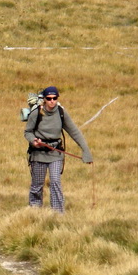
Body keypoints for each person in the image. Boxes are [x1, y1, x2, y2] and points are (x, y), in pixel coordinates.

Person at [24, 85, 92, 214]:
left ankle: (58, 213)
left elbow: (75, 132)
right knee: (37, 185)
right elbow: (28, 132)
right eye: (49, 98)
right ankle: (34, 211)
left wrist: (86, 151)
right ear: (44, 99)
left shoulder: (61, 112)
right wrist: (34, 141)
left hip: (56, 153)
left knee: (55, 181)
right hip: (38, 154)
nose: (52, 101)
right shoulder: (36, 112)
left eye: (54, 98)